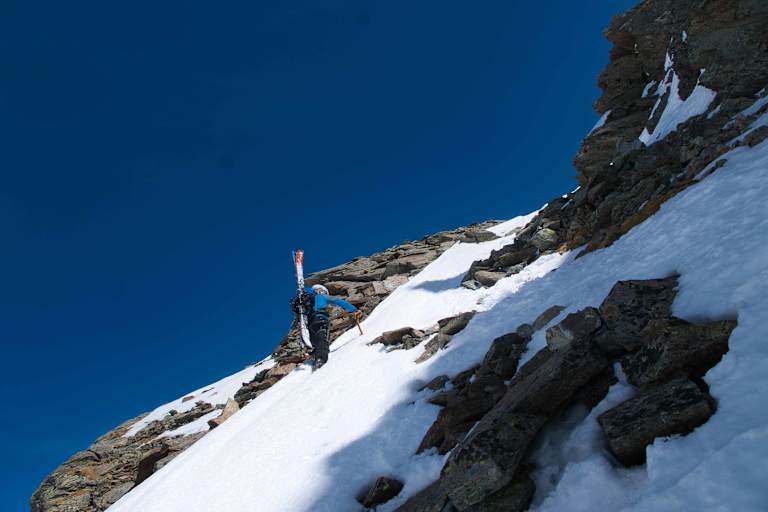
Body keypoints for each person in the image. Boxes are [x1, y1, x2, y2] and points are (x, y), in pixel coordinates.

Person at [290, 284, 359, 369]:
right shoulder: (322, 296)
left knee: (315, 342)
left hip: (310, 324)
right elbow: (337, 301)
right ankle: (321, 359)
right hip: (320, 318)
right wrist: (354, 309)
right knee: (322, 338)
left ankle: (314, 356)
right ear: (321, 290)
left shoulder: (307, 301)